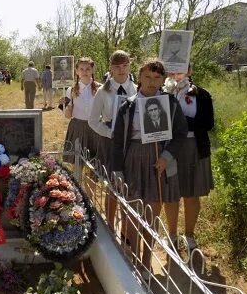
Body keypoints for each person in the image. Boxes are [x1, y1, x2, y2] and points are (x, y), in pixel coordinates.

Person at [112, 59, 188, 281]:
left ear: (163, 79)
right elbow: (117, 142)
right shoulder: (128, 106)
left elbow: (181, 134)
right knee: (134, 214)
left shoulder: (170, 104)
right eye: (147, 77)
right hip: (134, 160)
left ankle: (146, 261)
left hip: (159, 162)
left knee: (151, 215)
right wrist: (117, 170)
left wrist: (166, 156)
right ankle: (134, 258)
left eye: (157, 78)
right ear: (140, 77)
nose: (152, 82)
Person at [164, 64, 214, 252]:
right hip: (169, 149)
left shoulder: (201, 94)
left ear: (190, 71)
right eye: (173, 70)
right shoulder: (162, 93)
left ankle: (189, 235)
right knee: (171, 194)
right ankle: (172, 234)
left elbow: (208, 123)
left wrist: (181, 122)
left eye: (181, 70)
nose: (177, 74)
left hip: (193, 147)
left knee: (191, 194)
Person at [88, 50, 137, 228]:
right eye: (117, 66)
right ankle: (109, 223)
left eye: (125, 65)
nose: (121, 70)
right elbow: (93, 121)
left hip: (131, 142)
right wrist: (111, 133)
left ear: (129, 66)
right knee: (112, 184)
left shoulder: (136, 88)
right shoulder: (103, 91)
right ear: (111, 68)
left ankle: (126, 227)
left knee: (129, 184)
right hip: (110, 142)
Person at [61, 57, 101, 164]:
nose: (84, 72)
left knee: (96, 165)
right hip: (77, 127)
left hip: (96, 128)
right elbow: (68, 116)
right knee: (78, 163)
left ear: (92, 70)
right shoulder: (71, 90)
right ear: (77, 71)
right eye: (81, 69)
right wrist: (64, 105)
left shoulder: (100, 89)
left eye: (88, 69)